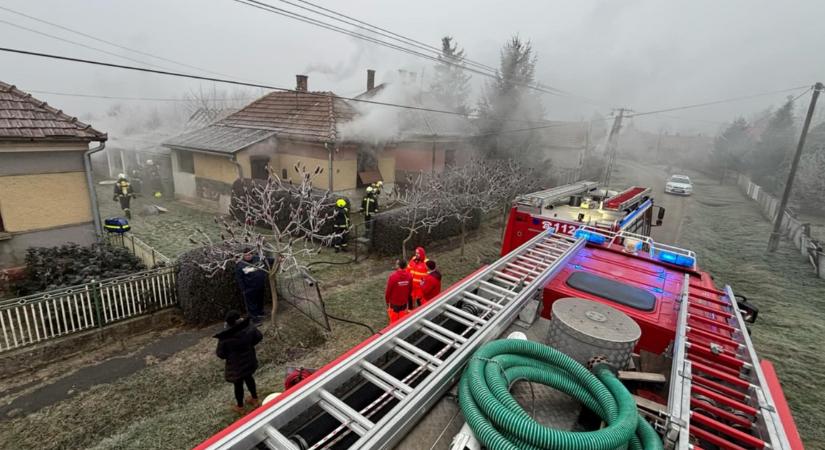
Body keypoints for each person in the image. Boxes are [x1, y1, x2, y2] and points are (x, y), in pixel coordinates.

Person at [215, 310, 263, 414]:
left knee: (238, 385)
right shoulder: (249, 328)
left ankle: (240, 406)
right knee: (249, 378)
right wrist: (250, 345)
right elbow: (259, 337)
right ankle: (255, 399)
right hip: (249, 359)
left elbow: (220, 354)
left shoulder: (225, 338)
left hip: (235, 366)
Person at [235, 249, 267, 323]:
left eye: (250, 254)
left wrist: (277, 259)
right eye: (246, 255)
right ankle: (254, 319)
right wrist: (244, 290)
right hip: (249, 288)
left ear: (252, 254)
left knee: (260, 300)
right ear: (243, 256)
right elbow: (239, 278)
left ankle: (260, 313)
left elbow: (267, 260)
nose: (248, 256)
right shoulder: (240, 265)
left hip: (260, 286)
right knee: (251, 305)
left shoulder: (258, 259)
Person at [385, 259, 412, 324]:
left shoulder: (393, 277)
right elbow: (410, 289)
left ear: (398, 266)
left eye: (396, 264)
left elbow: (388, 291)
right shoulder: (410, 276)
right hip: (404, 303)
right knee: (402, 321)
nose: (395, 264)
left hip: (394, 303)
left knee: (393, 323)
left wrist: (387, 301)